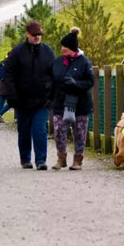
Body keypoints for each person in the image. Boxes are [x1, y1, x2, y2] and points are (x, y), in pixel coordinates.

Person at [1, 20, 55, 170]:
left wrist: (52, 95)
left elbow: (54, 74)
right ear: (27, 34)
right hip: (21, 100)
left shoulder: (48, 52)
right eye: (34, 34)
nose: (37, 37)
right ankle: (25, 158)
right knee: (24, 131)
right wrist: (12, 96)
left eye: (39, 34)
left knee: (39, 129)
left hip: (42, 100)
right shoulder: (17, 53)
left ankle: (41, 160)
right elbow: (9, 75)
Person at [50, 27, 94, 171]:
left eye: (66, 47)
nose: (63, 49)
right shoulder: (58, 62)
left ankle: (78, 160)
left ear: (73, 48)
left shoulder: (84, 62)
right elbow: (52, 80)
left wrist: (76, 84)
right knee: (59, 131)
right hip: (60, 103)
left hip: (80, 104)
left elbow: (90, 82)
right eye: (62, 46)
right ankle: (61, 158)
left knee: (80, 133)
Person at [0, 53, 11, 123]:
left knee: (1, 101)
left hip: (1, 83)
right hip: (8, 84)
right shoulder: (11, 63)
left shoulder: (2, 62)